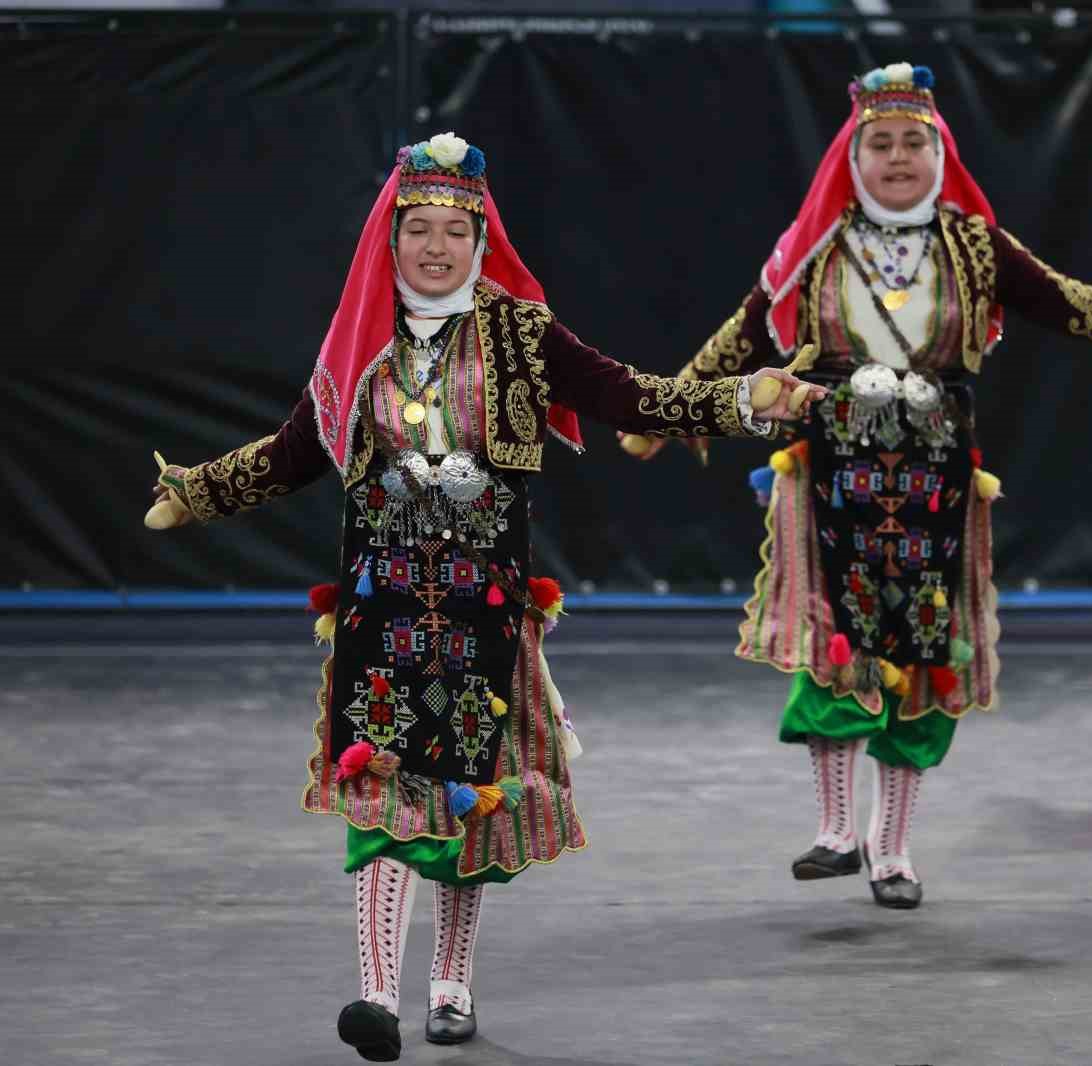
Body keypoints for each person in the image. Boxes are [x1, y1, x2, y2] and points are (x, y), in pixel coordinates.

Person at [145, 133, 820, 1061]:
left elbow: (631, 397)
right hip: (382, 608)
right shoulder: (360, 335)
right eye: (417, 229)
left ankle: (451, 982)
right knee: (381, 787)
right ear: (390, 238)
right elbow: (300, 447)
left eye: (453, 231)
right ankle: (375, 996)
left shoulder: (522, 334)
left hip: (483, 611)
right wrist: (199, 491)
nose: (435, 247)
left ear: (479, 239)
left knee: (471, 788)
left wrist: (744, 400)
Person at [626, 63, 1092, 909]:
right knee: (834, 639)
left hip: (937, 482)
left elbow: (1069, 303)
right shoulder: (815, 247)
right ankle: (836, 831)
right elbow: (743, 336)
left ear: (940, 153)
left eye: (914, 142)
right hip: (831, 471)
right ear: (854, 158)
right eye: (880, 143)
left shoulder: (974, 246)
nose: (897, 157)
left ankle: (893, 849)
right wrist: (667, 411)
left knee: (923, 651)